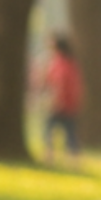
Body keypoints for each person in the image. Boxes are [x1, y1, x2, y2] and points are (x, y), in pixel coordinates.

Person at [37, 32, 83, 164]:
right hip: (70, 102)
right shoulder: (70, 61)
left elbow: (59, 82)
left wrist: (57, 99)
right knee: (69, 131)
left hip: (61, 102)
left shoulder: (60, 62)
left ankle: (50, 155)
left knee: (50, 129)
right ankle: (73, 157)